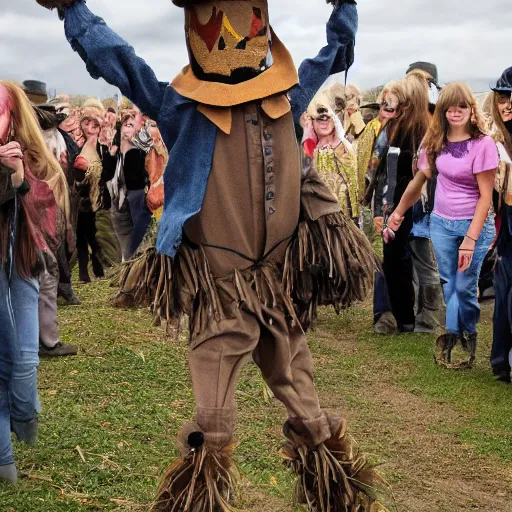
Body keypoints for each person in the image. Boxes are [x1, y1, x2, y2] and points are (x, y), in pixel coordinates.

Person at [36, 1, 385, 511]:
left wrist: (344, 7)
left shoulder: (287, 98)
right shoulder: (183, 109)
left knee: (306, 404)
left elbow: (337, 51)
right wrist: (73, 11)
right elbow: (121, 62)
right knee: (214, 421)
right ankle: (200, 498)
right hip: (220, 294)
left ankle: (336, 491)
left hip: (276, 291)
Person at [389, 82, 498, 368]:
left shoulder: (483, 145)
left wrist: (470, 240)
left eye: (461, 106)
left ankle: (467, 336)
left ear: (471, 109)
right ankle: (454, 339)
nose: (455, 112)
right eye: (449, 107)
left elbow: (486, 197)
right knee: (450, 286)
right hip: (441, 223)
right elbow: (418, 182)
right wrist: (398, 212)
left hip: (474, 225)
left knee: (463, 286)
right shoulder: (435, 142)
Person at [0, 81, 63, 483]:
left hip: (21, 268)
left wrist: (20, 175)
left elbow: (46, 209)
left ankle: (22, 414)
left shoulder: (27, 153)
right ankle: (4, 457)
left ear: (10, 116)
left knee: (23, 362)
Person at [364, 76, 431, 334]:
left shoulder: (423, 131)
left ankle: (412, 317)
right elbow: (380, 174)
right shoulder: (389, 130)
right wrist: (380, 209)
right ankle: (399, 317)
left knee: (410, 259)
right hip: (393, 202)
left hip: (413, 204)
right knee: (395, 259)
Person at [405, 62, 444, 333]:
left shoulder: (438, 122)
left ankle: (430, 316)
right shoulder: (404, 120)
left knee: (426, 260)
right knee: (408, 258)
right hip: (405, 200)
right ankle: (413, 311)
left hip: (430, 202)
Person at [487, 67, 512, 382]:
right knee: (505, 293)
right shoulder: (494, 140)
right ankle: (500, 361)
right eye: (503, 96)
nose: (507, 104)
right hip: (503, 228)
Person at [302, 94, 359, 219]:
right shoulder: (308, 150)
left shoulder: (344, 146)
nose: (324, 123)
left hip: (345, 216)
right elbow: (304, 174)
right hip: (318, 217)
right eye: (319, 119)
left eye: (327, 118)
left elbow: (352, 182)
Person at [104, 113, 152, 260]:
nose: (127, 129)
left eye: (131, 125)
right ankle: (127, 263)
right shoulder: (116, 151)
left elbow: (142, 177)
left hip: (135, 196)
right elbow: (106, 174)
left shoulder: (140, 150)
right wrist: (111, 153)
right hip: (118, 200)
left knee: (139, 232)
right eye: (125, 125)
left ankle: (138, 262)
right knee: (124, 235)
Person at [74, 99, 107, 282]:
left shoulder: (103, 148)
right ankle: (83, 274)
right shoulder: (78, 147)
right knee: (81, 238)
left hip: (98, 200)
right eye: (86, 123)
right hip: (81, 199)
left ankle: (99, 269)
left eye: (94, 124)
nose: (90, 128)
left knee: (95, 238)